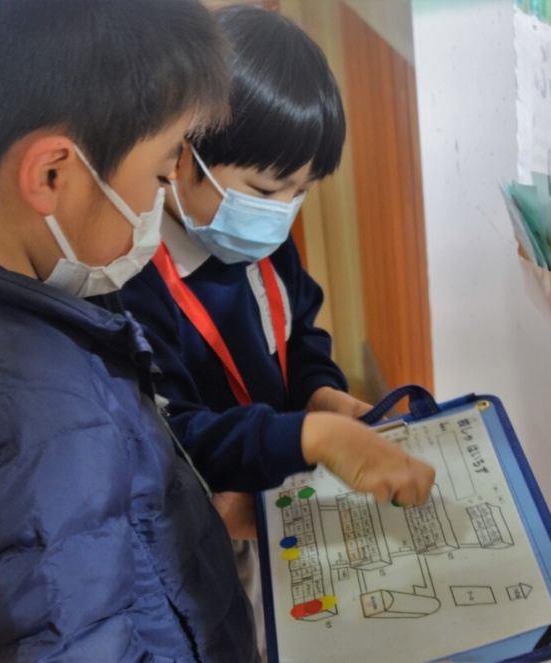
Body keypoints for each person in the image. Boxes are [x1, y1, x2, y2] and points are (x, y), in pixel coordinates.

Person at [0, 1, 436, 661]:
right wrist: (302, 441)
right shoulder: (37, 421)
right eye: (159, 170)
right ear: (52, 174)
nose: (159, 198)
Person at [119, 7, 423, 658]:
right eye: (264, 189)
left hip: (277, 498)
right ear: (180, 155)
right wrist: (309, 435)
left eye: (300, 191)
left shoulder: (260, 236)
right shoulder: (134, 279)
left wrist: (321, 394)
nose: (282, 213)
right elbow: (175, 434)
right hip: (206, 533)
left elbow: (300, 329)